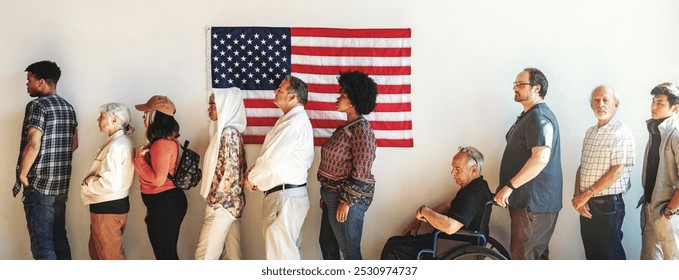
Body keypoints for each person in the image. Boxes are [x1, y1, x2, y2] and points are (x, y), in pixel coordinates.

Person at [494, 68, 562, 260]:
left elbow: (540, 158)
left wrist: (509, 187)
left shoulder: (538, 117)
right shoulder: (529, 115)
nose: (515, 88)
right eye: (515, 84)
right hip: (528, 203)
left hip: (533, 204)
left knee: (523, 259)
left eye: (520, 84)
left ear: (536, 88)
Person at [244, 75, 314, 260]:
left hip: (284, 198)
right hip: (287, 196)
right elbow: (273, 158)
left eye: (280, 90)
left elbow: (270, 162)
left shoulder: (293, 124)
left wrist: (251, 178)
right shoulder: (290, 121)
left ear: (292, 97)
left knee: (280, 260)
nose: (275, 92)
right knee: (287, 256)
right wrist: (254, 173)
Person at [14, 60, 78, 260]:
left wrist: (23, 174)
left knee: (42, 245)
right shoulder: (69, 108)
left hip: (40, 184)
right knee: (59, 239)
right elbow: (74, 144)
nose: (27, 85)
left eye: (29, 80)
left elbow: (33, 143)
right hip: (60, 185)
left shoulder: (37, 105)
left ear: (41, 82)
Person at [381, 146, 492, 260]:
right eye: (453, 168)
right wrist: (418, 219)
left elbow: (450, 227)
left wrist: (424, 210)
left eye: (457, 169)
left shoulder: (475, 193)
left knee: (393, 248)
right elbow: (448, 206)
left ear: (473, 170)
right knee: (393, 242)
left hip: (454, 246)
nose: (452, 173)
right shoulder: (474, 187)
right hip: (450, 242)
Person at [317, 71, 378, 260]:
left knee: (349, 251)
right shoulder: (346, 128)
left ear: (353, 100)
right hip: (332, 195)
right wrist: (327, 195)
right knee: (327, 244)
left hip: (346, 198)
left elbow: (362, 169)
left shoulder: (362, 130)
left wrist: (346, 201)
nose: (338, 98)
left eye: (342, 94)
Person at [571, 86, 635, 260]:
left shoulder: (621, 132)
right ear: (591, 104)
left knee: (610, 258)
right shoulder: (590, 132)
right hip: (586, 205)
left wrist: (586, 195)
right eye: (596, 100)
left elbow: (617, 171)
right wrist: (578, 196)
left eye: (605, 100)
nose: (600, 104)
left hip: (608, 207)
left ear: (616, 104)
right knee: (593, 258)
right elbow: (582, 166)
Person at [133, 95, 187, 260]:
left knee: (166, 257)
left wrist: (138, 158)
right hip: (162, 205)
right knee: (165, 256)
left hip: (166, 204)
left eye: (147, 113)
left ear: (155, 116)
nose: (144, 117)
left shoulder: (161, 144)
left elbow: (158, 180)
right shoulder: (161, 142)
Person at [195, 91, 247, 260]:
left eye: (213, 105)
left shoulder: (228, 134)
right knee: (231, 256)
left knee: (204, 256)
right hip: (230, 204)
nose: (208, 109)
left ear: (225, 107)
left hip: (222, 205)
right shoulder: (229, 132)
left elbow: (229, 173)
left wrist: (215, 200)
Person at [81, 103, 136, 260]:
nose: (98, 119)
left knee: (109, 258)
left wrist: (88, 184)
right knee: (101, 254)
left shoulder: (116, 147)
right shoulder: (122, 143)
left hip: (106, 209)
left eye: (102, 116)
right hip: (113, 206)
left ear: (114, 120)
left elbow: (111, 183)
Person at [640, 83, 679, 260]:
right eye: (653, 102)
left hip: (668, 212)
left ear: (675, 108)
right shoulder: (655, 129)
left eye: (660, 103)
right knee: (649, 259)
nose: (654, 107)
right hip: (650, 207)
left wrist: (669, 211)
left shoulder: (676, 134)